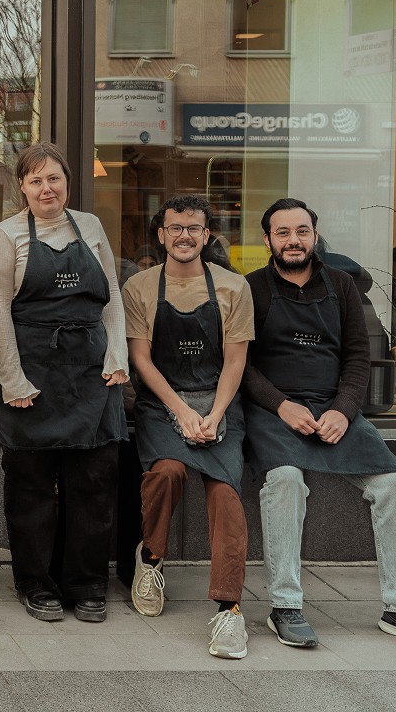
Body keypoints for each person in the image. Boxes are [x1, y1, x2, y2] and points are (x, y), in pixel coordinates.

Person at [243, 198, 396, 653]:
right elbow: (240, 365)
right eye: (283, 232)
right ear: (268, 241)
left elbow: (358, 358)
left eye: (302, 231)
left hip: (337, 408)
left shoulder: (342, 286)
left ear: (314, 236)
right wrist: (281, 406)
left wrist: (343, 409)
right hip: (273, 413)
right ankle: (285, 605)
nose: (293, 240)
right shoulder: (251, 288)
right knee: (284, 481)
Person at [0, 141, 129, 624]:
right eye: (36, 180)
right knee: (31, 488)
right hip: (32, 373)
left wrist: (117, 355)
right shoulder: (5, 236)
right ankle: (36, 582)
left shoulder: (91, 227)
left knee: (94, 482)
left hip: (92, 373)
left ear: (67, 182)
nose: (47, 188)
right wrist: (13, 379)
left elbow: (110, 298)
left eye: (54, 179)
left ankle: (86, 584)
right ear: (21, 187)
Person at [120, 194, 253, 659]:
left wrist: (214, 416)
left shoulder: (234, 287)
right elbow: (139, 359)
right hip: (162, 403)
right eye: (174, 228)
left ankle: (229, 610)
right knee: (167, 473)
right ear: (161, 234)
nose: (183, 236)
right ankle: (150, 558)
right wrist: (180, 411)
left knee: (226, 493)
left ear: (206, 234)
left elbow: (236, 361)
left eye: (193, 228)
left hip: (220, 402)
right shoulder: (139, 286)